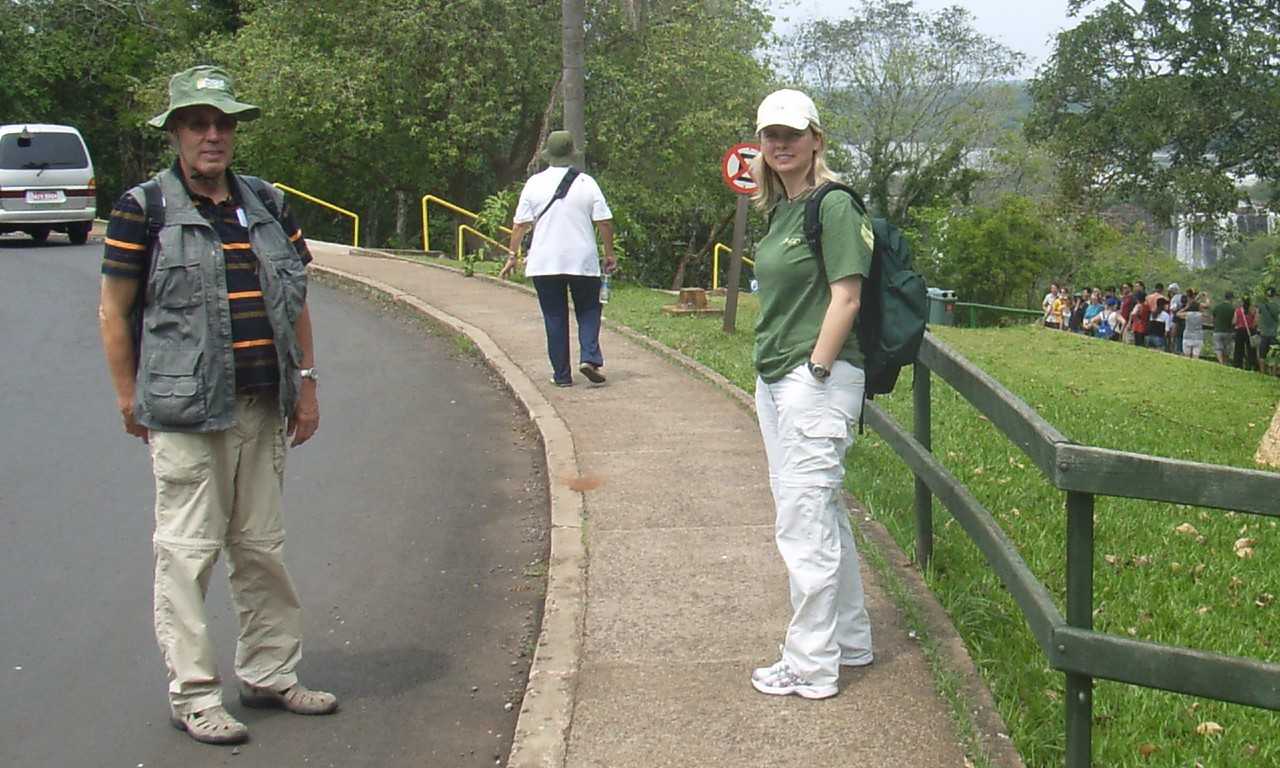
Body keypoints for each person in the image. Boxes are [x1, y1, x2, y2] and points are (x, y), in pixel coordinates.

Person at [97, 66, 337, 746]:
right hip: (186, 412)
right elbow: (114, 312)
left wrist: (308, 383)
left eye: (223, 123)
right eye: (199, 122)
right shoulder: (142, 209)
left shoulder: (265, 203)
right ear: (175, 131)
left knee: (261, 547)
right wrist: (126, 395)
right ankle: (195, 693)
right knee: (188, 552)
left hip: (263, 405)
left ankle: (268, 673)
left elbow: (295, 302)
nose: (213, 135)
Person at [746, 89, 873, 700]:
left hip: (813, 382)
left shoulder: (835, 205)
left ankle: (812, 665)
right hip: (777, 380)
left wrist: (817, 371)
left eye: (792, 134)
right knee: (819, 514)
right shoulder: (782, 210)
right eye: (770, 135)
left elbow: (847, 296)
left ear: (817, 139)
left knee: (803, 526)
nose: (780, 144)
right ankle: (849, 640)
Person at [502, 130, 615, 387]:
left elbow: (520, 225)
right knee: (589, 309)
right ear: (572, 154)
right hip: (582, 261)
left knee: (554, 316)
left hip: (544, 262)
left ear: (548, 155)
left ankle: (562, 376)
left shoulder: (534, 184)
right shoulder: (587, 183)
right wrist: (609, 253)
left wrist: (512, 255)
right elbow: (604, 222)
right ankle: (589, 357)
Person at [1232, 295, 1260, 370]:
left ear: (1242, 301)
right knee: (1251, 349)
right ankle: (1252, 365)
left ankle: (1237, 364)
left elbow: (1234, 321)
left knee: (1238, 349)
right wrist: (1253, 327)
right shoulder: (1253, 310)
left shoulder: (1238, 310)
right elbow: (1256, 321)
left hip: (1240, 330)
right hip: (1250, 331)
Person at [1210, 291, 1235, 365]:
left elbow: (1213, 319)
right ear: (1231, 298)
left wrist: (1215, 325)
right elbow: (1234, 321)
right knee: (1227, 349)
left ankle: (1221, 362)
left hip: (1217, 331)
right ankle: (1225, 362)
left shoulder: (1217, 307)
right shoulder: (1232, 309)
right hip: (1228, 331)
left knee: (1218, 348)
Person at [1257, 286, 1278, 370]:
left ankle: (1262, 372)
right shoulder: (1277, 306)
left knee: (1262, 355)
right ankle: (1273, 373)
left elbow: (1257, 318)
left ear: (1266, 295)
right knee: (1274, 355)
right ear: (1274, 295)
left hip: (1264, 333)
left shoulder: (1261, 306)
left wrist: (1259, 327)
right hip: (1274, 334)